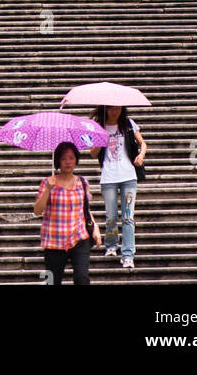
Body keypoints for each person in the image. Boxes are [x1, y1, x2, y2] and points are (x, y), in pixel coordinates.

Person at [33, 142, 102, 286]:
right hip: (54, 241)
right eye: (64, 158)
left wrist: (95, 228)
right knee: (52, 281)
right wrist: (48, 190)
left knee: (82, 279)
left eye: (71, 158)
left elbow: (86, 209)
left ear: (76, 159)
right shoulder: (47, 182)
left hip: (79, 237)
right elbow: (37, 210)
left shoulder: (83, 182)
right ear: (58, 160)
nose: (68, 162)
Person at [91, 106, 147, 271]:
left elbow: (143, 143)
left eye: (117, 108)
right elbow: (93, 153)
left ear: (122, 109)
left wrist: (141, 156)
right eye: (111, 109)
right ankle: (111, 244)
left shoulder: (129, 124)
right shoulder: (99, 127)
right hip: (108, 177)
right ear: (105, 109)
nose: (114, 111)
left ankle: (128, 255)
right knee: (111, 216)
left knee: (128, 217)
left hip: (129, 177)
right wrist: (101, 139)